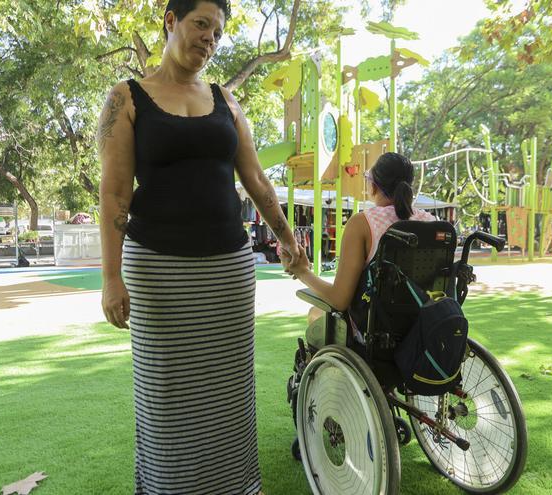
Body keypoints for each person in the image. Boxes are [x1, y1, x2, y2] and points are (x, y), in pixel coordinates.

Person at [96, 1, 299, 493]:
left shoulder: (226, 100)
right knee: (165, 391)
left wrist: (287, 235)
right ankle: (170, 485)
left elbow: (254, 178)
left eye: (217, 32)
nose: (209, 39)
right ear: (171, 22)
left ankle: (234, 485)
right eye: (200, 25)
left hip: (228, 265)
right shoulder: (126, 98)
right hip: (158, 269)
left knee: (229, 387)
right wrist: (110, 277)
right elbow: (115, 192)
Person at [282, 152, 436, 349]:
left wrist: (302, 271)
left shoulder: (363, 223)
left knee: (315, 314)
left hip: (376, 334)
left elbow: (339, 300)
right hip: (421, 328)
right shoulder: (431, 222)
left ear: (373, 186)